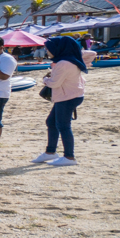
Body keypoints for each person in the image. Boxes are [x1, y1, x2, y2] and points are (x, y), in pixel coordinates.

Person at [35, 37, 90, 167]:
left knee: (63, 125)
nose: (47, 51)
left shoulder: (64, 63)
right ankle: (50, 152)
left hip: (67, 97)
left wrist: (45, 79)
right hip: (71, 95)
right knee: (51, 122)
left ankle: (69, 156)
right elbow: (91, 53)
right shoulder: (72, 58)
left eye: (48, 49)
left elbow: (54, 83)